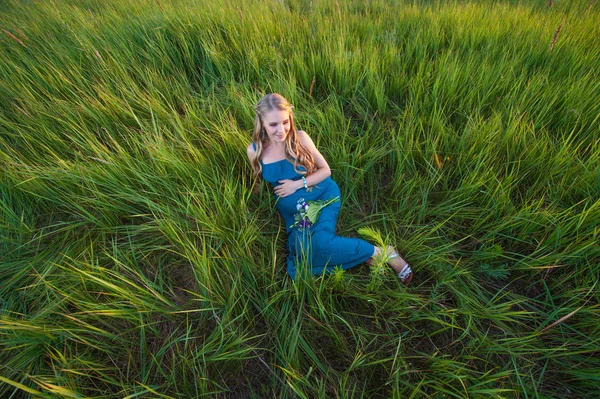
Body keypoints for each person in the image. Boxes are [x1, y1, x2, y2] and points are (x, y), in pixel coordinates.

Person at [246, 93, 413, 285]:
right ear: (262, 123)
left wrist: (297, 184)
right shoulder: (255, 150)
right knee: (300, 258)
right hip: (295, 211)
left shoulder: (300, 138)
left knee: (321, 243)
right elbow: (257, 175)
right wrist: (255, 194)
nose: (281, 130)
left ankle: (383, 252)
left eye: (285, 122)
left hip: (322, 195)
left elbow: (326, 170)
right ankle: (360, 257)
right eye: (273, 124)